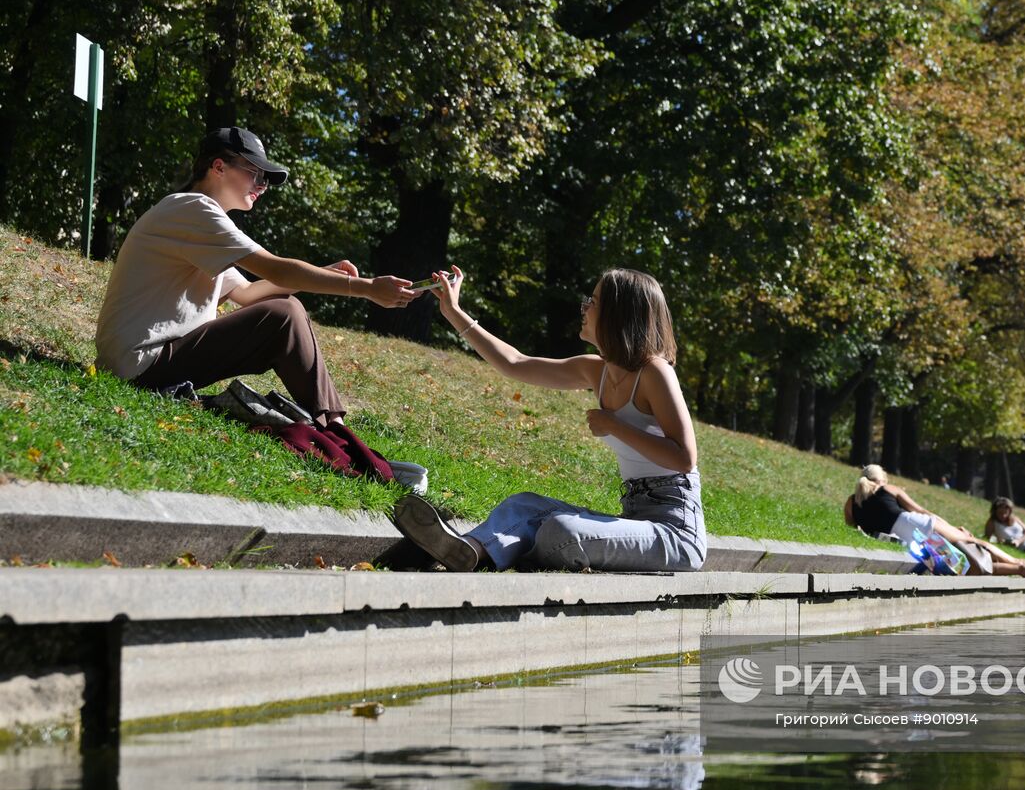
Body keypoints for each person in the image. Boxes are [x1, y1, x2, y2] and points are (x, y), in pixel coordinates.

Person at [95, 127, 418, 424]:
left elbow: (248, 293)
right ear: (218, 166)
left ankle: (331, 425)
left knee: (285, 310)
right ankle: (332, 426)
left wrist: (320, 275)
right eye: (254, 173)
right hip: (141, 366)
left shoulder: (197, 219)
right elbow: (274, 268)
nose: (262, 185)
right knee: (286, 313)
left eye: (265, 177)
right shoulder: (193, 210)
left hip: (149, 364)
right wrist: (366, 288)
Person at [393, 266, 705, 573]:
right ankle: (469, 551)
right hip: (634, 521)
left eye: (593, 302)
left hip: (675, 532)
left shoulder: (654, 372)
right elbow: (515, 363)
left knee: (561, 530)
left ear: (617, 314)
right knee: (524, 505)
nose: (584, 308)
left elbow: (684, 457)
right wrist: (453, 311)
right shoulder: (596, 370)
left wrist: (615, 426)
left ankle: (503, 552)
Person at [843, 465, 1025, 578]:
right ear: (882, 479)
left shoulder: (852, 502)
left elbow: (853, 527)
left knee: (967, 569)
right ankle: (1021, 564)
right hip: (919, 527)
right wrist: (949, 528)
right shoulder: (888, 489)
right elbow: (920, 511)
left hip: (909, 540)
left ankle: (1023, 569)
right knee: (976, 542)